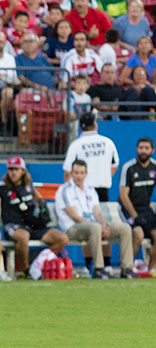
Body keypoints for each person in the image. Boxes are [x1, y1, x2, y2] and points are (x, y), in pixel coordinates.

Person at [57, 159, 135, 278]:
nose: (79, 176)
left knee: (125, 228)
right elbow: (74, 216)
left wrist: (104, 224)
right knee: (95, 227)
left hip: (94, 228)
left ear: (86, 174)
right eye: (76, 173)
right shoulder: (65, 190)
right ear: (71, 173)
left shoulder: (90, 189)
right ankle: (99, 268)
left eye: (81, 173)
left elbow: (97, 211)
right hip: (71, 230)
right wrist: (98, 226)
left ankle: (127, 269)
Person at [0, 156, 69, 276]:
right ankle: (26, 270)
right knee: (24, 236)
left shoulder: (29, 187)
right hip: (13, 225)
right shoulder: (1, 188)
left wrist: (42, 209)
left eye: (16, 169)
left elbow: (41, 202)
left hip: (33, 225)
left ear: (23, 171)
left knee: (62, 238)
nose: (13, 173)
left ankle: (38, 262)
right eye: (10, 169)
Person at [118, 137, 156, 275]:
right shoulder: (129, 167)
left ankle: (150, 270)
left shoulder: (154, 167)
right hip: (128, 209)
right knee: (138, 234)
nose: (143, 151)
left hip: (146, 209)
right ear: (137, 149)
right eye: (141, 148)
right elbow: (123, 195)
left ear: (152, 150)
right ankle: (127, 269)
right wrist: (135, 216)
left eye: (146, 148)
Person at [63, 111, 119, 202]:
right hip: (102, 190)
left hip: (81, 190)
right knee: (101, 215)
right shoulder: (108, 143)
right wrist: (103, 177)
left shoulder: (76, 145)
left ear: (80, 127)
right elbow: (114, 166)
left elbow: (67, 172)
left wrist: (67, 193)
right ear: (95, 125)